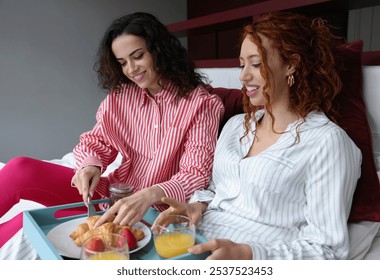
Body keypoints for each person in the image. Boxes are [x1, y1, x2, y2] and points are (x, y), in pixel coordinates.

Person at [0, 12, 223, 258]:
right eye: (123, 62)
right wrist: (90, 167)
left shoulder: (203, 105)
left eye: (138, 56)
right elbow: (96, 142)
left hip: (151, 212)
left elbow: (196, 174)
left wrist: (150, 194)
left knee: (28, 224)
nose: (131, 69)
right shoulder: (122, 96)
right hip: (109, 194)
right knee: (21, 168)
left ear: (160, 50)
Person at [152, 11, 362, 260]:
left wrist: (249, 254)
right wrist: (196, 206)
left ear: (291, 64)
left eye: (256, 63)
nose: (243, 76)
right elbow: (216, 190)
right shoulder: (236, 126)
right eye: (242, 64)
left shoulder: (327, 142)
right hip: (192, 245)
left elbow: (329, 250)